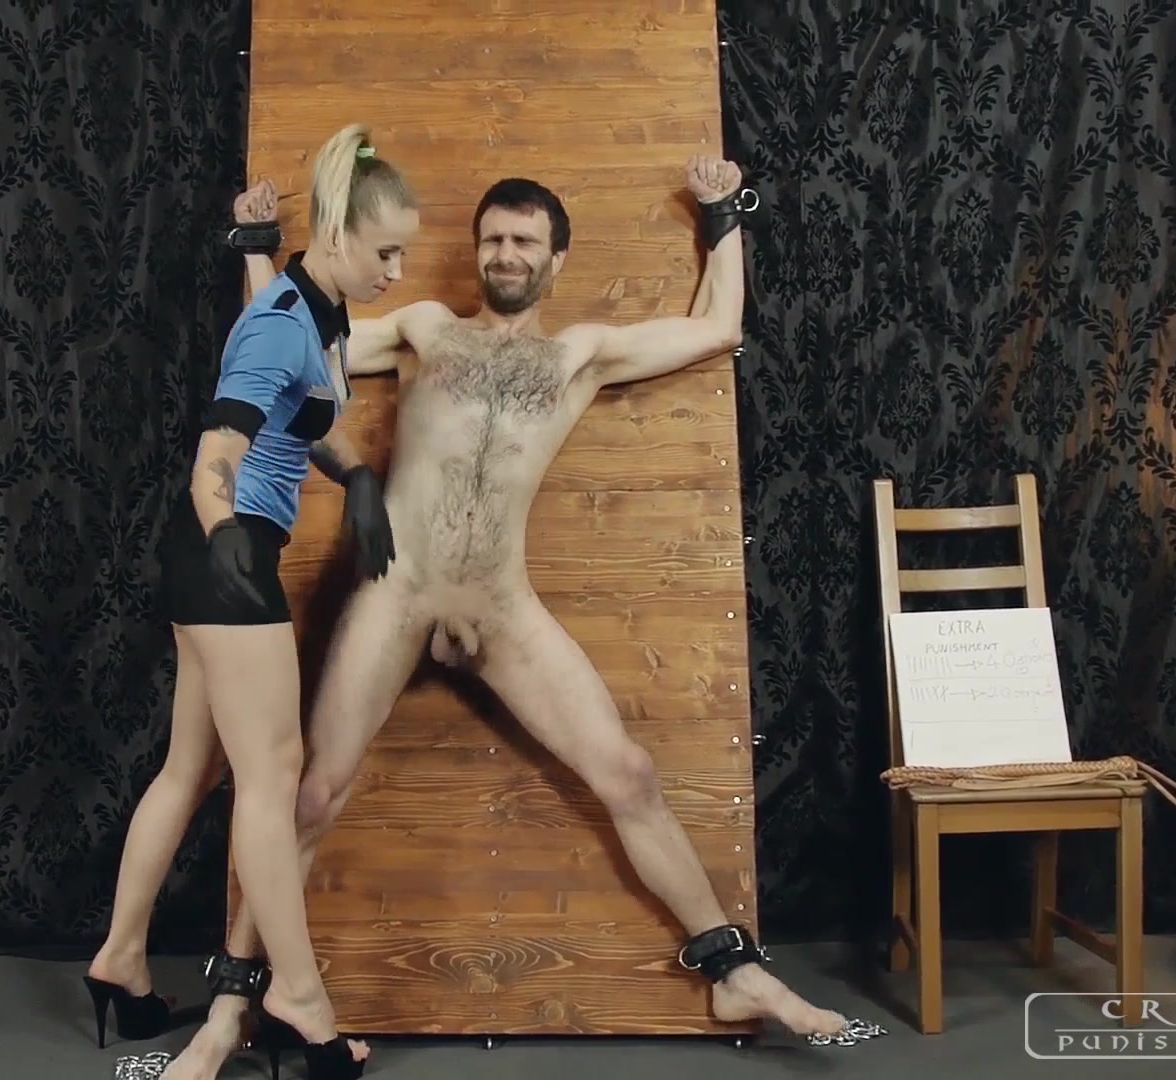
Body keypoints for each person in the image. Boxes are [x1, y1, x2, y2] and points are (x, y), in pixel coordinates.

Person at [165, 155, 868, 1075]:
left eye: (524, 241)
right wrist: (258, 244)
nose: (505, 252)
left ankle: (732, 970)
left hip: (502, 604)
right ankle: (231, 1010)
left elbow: (717, 327)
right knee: (308, 797)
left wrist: (723, 215)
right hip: (397, 591)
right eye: (493, 238)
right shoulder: (424, 328)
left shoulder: (581, 355)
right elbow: (287, 345)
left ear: (555, 258)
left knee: (630, 774)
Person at [81, 121, 418, 1080]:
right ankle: (299, 997)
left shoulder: (321, 310)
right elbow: (215, 461)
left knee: (190, 771)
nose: (397, 271)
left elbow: (300, 419)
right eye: (386, 253)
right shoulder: (279, 323)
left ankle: (120, 961)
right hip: (226, 556)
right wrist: (226, 532)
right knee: (273, 776)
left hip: (219, 560)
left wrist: (354, 475)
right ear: (339, 235)